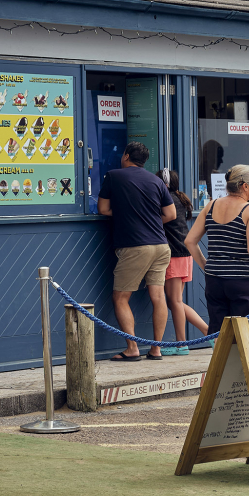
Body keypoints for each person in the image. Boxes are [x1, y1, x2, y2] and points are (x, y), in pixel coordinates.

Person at [98, 141, 176, 362]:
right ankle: (156, 349)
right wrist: (148, 218)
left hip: (135, 246)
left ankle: (132, 349)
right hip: (161, 246)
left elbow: (103, 209)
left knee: (121, 298)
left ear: (125, 156)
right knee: (158, 297)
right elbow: (170, 214)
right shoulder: (156, 180)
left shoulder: (113, 176)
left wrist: (127, 215)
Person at [184, 164, 249, 338]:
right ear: (245, 186)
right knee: (245, 335)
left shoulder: (211, 206)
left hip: (215, 280)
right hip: (243, 280)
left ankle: (223, 366)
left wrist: (207, 266)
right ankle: (242, 366)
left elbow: (190, 241)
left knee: (220, 335)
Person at [159, 169, 208, 355]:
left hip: (174, 254)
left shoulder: (165, 199)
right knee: (175, 301)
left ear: (163, 185)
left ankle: (181, 344)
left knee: (175, 301)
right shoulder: (179, 198)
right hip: (184, 253)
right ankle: (208, 333)